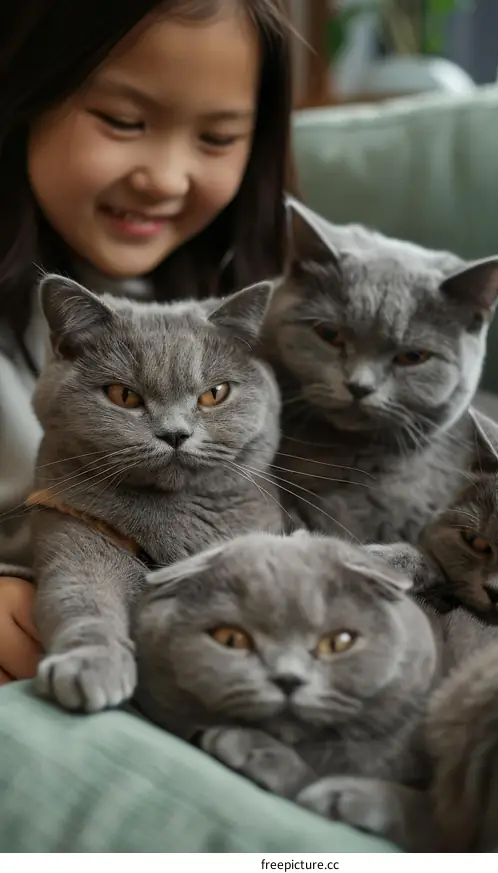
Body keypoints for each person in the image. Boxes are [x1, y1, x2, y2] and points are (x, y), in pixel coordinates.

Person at [0, 0, 293, 685]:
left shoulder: (261, 299)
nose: (165, 177)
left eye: (218, 138)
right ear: (25, 88)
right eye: (123, 121)